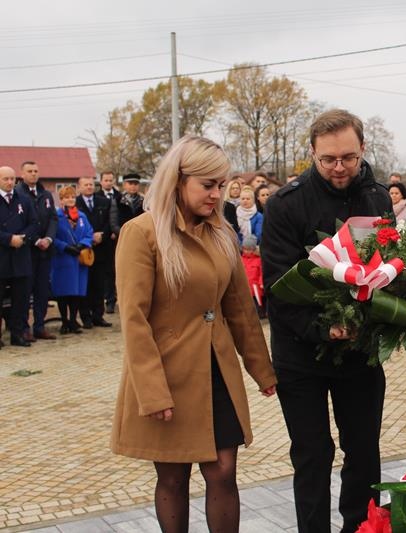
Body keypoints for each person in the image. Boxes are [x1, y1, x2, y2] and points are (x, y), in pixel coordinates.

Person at [110, 135, 277, 533]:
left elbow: (240, 309)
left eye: (221, 185)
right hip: (167, 373)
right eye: (208, 185)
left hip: (218, 371)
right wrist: (152, 391)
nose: (217, 194)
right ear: (179, 180)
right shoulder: (142, 233)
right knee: (173, 477)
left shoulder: (222, 234)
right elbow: (133, 318)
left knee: (223, 471)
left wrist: (263, 371)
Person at [262, 109, 391, 533]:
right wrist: (324, 327)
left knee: (364, 450)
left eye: (349, 158)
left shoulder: (378, 198)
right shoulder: (285, 204)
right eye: (328, 159)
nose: (339, 167)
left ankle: (362, 528)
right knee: (313, 454)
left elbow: (388, 266)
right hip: (301, 355)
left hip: (360, 353)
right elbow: (279, 287)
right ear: (312, 153)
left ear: (363, 149)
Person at [16, 160, 58, 341]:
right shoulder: (17, 194)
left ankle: (39, 326)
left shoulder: (46, 194)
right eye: (30, 171)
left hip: (45, 251)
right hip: (26, 251)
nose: (33, 174)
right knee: (25, 292)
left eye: (36, 171)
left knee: (42, 291)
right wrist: (35, 240)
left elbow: (53, 219)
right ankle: (24, 328)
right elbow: (20, 222)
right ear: (22, 174)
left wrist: (48, 238)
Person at [0, 166, 38, 347]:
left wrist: (22, 238)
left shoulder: (23, 200)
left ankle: (17, 334)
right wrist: (9, 239)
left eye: (12, 179)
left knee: (20, 299)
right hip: (2, 256)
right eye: (5, 179)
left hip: (20, 257)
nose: (10, 182)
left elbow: (34, 223)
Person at [51, 186, 93, 335]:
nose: (70, 200)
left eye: (73, 197)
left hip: (78, 260)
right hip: (63, 259)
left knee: (76, 292)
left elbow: (89, 232)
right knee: (63, 293)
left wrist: (83, 244)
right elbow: (52, 236)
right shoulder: (56, 216)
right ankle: (64, 321)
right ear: (61, 200)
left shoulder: (82, 216)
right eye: (67, 197)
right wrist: (65, 247)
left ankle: (73, 320)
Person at [76, 175, 114, 328]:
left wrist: (102, 235)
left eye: (91, 184)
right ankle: (86, 317)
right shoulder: (75, 203)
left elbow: (110, 222)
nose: (89, 187)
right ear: (79, 187)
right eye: (85, 185)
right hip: (83, 250)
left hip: (101, 249)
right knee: (85, 285)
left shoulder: (104, 202)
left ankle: (98, 315)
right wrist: (88, 237)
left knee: (99, 284)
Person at [98, 170, 122, 314]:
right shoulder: (97, 197)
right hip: (103, 240)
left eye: (110, 180)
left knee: (115, 271)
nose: (108, 183)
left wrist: (116, 231)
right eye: (106, 180)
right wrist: (107, 232)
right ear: (101, 181)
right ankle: (108, 300)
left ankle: (116, 298)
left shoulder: (120, 197)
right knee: (105, 272)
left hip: (118, 239)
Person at [241, 234, 265, 318]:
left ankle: (260, 313)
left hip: (255, 287)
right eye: (244, 249)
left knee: (257, 302)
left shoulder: (258, 259)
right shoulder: (241, 259)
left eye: (248, 249)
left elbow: (262, 272)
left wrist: (261, 283)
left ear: (253, 249)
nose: (246, 251)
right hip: (245, 286)